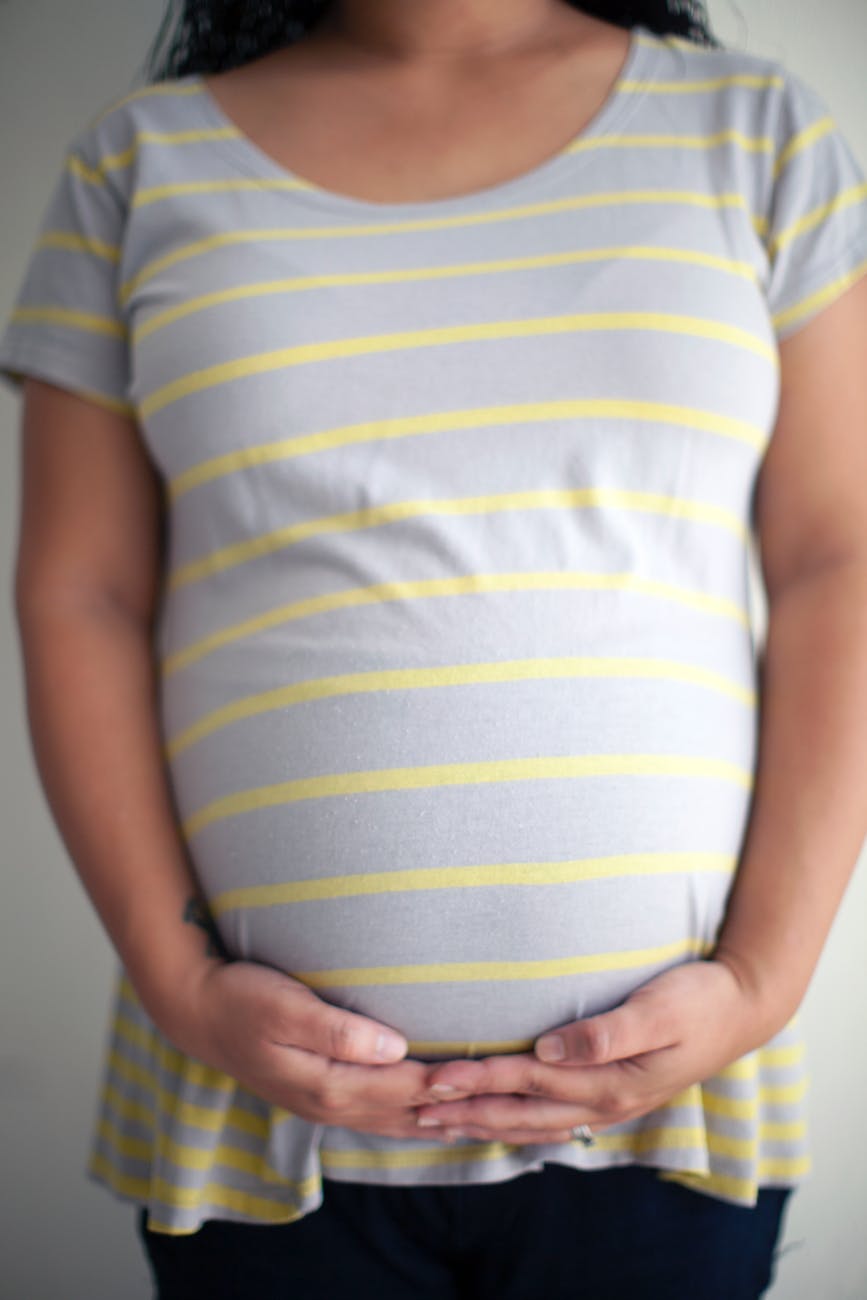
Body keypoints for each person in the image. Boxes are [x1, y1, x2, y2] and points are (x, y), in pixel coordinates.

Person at [2, 0, 867, 1295]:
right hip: (256, 1136)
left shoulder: (758, 135)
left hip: (665, 1125)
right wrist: (181, 984)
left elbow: (837, 564)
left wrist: (759, 981)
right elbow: (82, 595)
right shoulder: (139, 161)